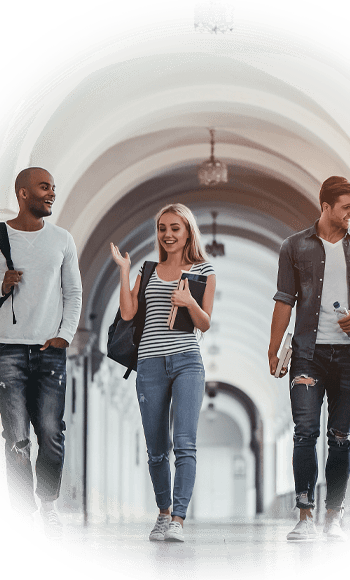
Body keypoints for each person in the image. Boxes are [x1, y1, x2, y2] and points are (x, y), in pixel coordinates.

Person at [0, 167, 82, 539]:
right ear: (22, 193)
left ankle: (49, 504)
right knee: (17, 436)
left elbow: (73, 293)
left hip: (50, 351)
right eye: (45, 187)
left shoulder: (62, 239)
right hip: (9, 349)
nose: (52, 194)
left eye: (54, 188)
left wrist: (65, 336)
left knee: (51, 433)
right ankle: (23, 514)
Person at [268, 176, 350, 542]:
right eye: (346, 206)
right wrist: (273, 350)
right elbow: (284, 300)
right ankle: (304, 516)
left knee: (340, 437)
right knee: (305, 433)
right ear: (326, 207)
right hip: (307, 355)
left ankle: (333, 516)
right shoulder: (294, 246)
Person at [110, 203, 216, 543]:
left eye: (175, 228)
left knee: (185, 444)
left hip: (187, 361)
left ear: (188, 232)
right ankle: (163, 513)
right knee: (156, 449)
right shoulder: (149, 269)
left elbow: (205, 323)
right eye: (162, 228)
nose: (168, 234)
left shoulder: (203, 270)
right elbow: (128, 314)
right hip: (150, 364)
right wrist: (125, 271)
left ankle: (179, 520)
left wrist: (189, 304)